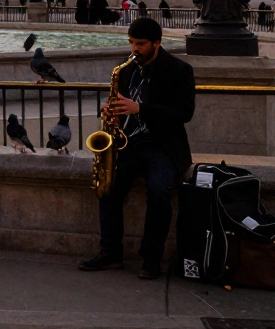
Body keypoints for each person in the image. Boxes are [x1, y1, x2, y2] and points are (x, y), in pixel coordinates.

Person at [80, 18, 195, 280]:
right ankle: (110, 252)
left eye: (141, 44)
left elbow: (184, 112)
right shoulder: (125, 70)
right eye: (132, 42)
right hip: (129, 142)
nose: (134, 49)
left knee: (158, 192)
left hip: (163, 146)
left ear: (157, 43)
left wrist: (140, 109)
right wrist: (112, 111)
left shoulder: (179, 70)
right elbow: (123, 105)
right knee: (107, 188)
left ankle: (151, 258)